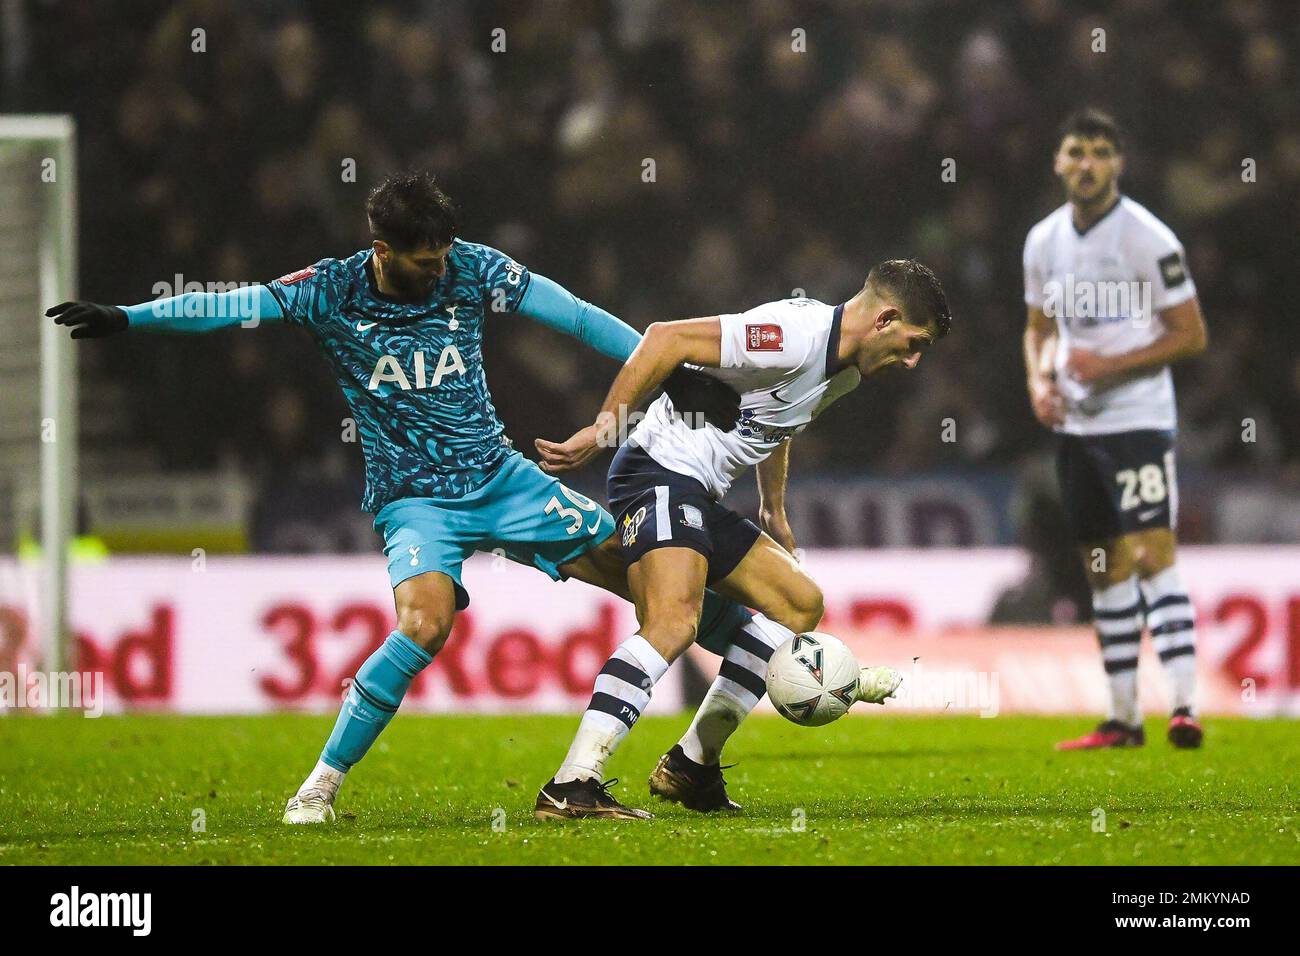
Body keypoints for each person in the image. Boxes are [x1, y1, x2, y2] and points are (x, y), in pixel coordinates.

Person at [48, 170, 788, 823]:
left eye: (443, 257)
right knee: (426, 623)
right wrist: (127, 318)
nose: (439, 272)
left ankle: (768, 653)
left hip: (501, 479)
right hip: (413, 500)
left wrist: (666, 365)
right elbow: (226, 307)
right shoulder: (327, 291)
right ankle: (317, 787)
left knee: (645, 569)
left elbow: (573, 313)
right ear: (382, 249)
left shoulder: (472, 268)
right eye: (423, 262)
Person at [532, 258, 951, 820]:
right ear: (886, 319)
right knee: (673, 622)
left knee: (800, 604)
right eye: (913, 341)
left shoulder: (844, 371)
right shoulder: (792, 336)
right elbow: (665, 339)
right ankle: (572, 783)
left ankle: (692, 764)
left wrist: (772, 506)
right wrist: (604, 428)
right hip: (655, 469)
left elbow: (778, 423)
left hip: (698, 493)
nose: (912, 360)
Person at [1022, 110, 1208, 750]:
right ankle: (1124, 718)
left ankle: (1185, 707)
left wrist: (1112, 365)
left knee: (1154, 555)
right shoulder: (1043, 240)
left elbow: (1191, 335)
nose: (1087, 163)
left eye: (1100, 152)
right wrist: (1040, 382)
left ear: (1118, 163)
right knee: (1103, 568)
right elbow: (1040, 328)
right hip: (1076, 429)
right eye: (1076, 151)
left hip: (1136, 423)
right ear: (1059, 162)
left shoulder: (1148, 239)